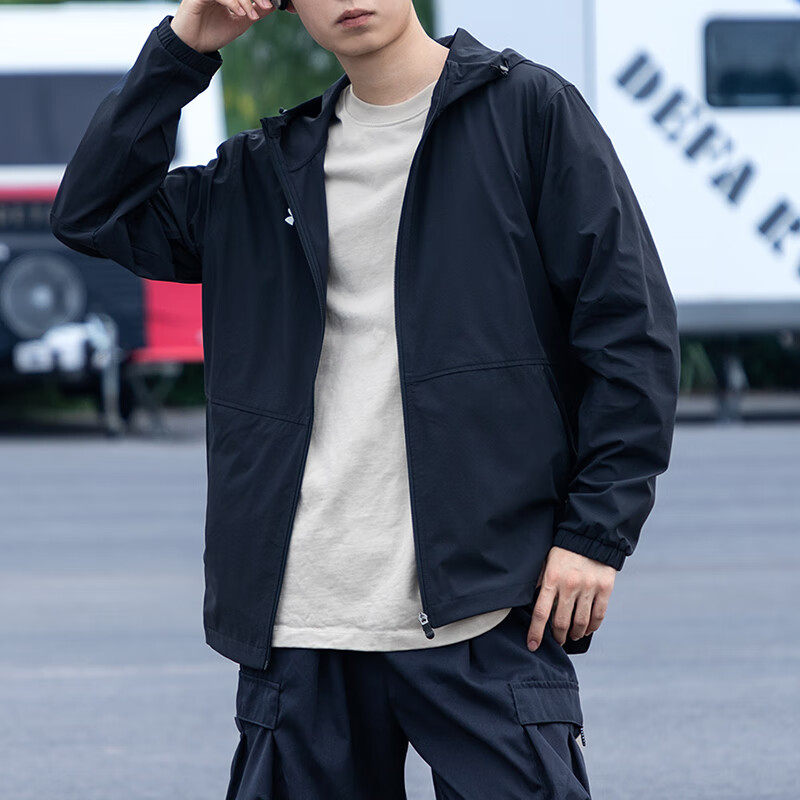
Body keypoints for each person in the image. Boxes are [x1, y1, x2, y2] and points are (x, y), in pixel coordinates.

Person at [50, 0, 681, 797]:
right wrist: (188, 43)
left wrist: (596, 533)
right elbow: (93, 212)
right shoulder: (265, 170)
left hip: (485, 609)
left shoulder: (527, 111)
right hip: (302, 626)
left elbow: (630, 331)